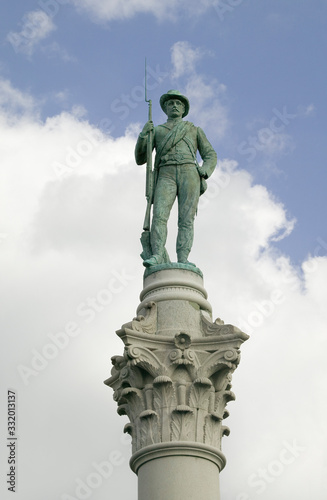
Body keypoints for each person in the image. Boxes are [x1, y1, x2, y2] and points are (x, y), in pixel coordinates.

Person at [135, 90, 217, 267]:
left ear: (184, 109)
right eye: (171, 103)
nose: (174, 105)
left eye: (178, 103)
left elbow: (210, 154)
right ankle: (157, 254)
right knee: (159, 216)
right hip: (166, 172)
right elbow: (140, 159)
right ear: (165, 108)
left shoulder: (193, 130)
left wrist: (205, 170)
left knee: (186, 220)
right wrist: (143, 135)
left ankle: (183, 259)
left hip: (190, 172)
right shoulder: (157, 130)